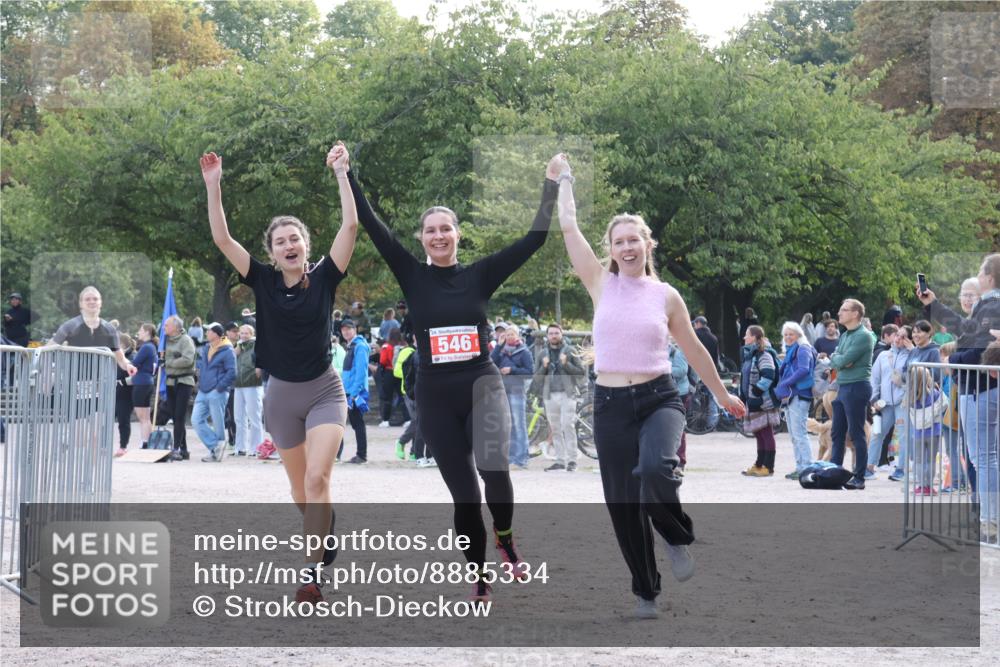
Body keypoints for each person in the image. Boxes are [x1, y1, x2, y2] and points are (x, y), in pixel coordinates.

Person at [346, 151, 561, 604]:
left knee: (494, 470)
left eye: (446, 228)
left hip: (482, 384)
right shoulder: (411, 275)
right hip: (436, 395)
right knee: (464, 496)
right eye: (431, 230)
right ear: (422, 239)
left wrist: (550, 183)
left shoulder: (480, 275)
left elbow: (534, 240)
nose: (439, 235)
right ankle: (479, 572)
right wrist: (346, 172)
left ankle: (504, 538)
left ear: (457, 235)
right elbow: (372, 225)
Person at [553, 154, 745, 619]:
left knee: (657, 469)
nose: (626, 247)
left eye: (633, 239)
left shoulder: (666, 296)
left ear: (647, 243)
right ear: (611, 248)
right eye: (618, 241)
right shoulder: (599, 282)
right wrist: (565, 179)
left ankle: (677, 536)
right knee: (623, 504)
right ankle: (646, 591)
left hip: (660, 397)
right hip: (610, 403)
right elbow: (568, 227)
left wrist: (722, 395)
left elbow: (696, 351)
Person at [200, 140, 357, 604]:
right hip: (281, 397)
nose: (289, 245)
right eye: (280, 241)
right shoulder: (262, 280)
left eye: (295, 238)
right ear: (271, 252)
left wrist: (342, 174)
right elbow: (223, 240)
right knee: (299, 490)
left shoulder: (327, 275)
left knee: (316, 479)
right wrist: (214, 187)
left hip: (325, 391)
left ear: (306, 245)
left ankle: (311, 575)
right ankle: (324, 529)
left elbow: (350, 223)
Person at [919, 258, 999, 501]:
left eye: (979, 271)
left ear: (989, 277)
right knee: (982, 457)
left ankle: (989, 518)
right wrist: (933, 305)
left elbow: (981, 349)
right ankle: (985, 514)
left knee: (984, 458)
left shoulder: (993, 305)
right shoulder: (986, 306)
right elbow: (965, 330)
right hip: (976, 387)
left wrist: (952, 360)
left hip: (980, 387)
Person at [821, 299, 876, 489]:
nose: (839, 313)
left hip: (857, 387)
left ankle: (859, 477)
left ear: (855, 314)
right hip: (842, 387)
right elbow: (839, 359)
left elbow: (843, 360)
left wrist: (839, 360)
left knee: (856, 433)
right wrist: (840, 360)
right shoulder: (844, 335)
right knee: (837, 433)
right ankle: (836, 473)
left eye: (844, 310)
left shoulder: (864, 336)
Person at [533, 323, 586, 472]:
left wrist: (566, 363)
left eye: (556, 333)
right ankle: (560, 460)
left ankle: (572, 460)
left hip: (568, 394)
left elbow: (581, 372)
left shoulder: (570, 351)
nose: (554, 336)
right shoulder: (542, 353)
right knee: (555, 428)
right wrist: (544, 367)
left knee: (567, 425)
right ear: (547, 336)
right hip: (549, 395)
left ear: (561, 334)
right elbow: (536, 378)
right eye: (551, 333)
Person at [50, 286, 137, 377]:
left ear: (100, 303)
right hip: (72, 384)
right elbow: (47, 350)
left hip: (100, 385)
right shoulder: (69, 326)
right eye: (87, 299)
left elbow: (121, 359)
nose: (92, 302)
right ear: (81, 304)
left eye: (95, 299)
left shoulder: (109, 330)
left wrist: (128, 366)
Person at [775, 322, 816, 479]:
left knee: (799, 433)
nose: (787, 337)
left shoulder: (803, 348)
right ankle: (800, 467)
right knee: (794, 435)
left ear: (799, 335)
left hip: (800, 395)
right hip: (792, 396)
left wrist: (785, 383)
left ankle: (806, 468)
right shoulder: (792, 350)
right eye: (785, 334)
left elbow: (804, 369)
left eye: (791, 334)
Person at [869, 326, 910, 480]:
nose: (898, 339)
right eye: (897, 335)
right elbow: (875, 379)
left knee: (903, 435)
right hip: (884, 404)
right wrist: (874, 399)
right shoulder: (883, 355)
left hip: (903, 403)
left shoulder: (912, 356)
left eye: (903, 336)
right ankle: (869, 467)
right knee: (877, 433)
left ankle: (901, 469)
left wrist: (913, 351)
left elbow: (918, 378)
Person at [739, 326, 781, 477]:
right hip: (752, 401)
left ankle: (768, 467)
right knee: (758, 432)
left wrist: (757, 390)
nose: (744, 338)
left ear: (755, 337)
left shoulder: (764, 354)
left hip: (763, 401)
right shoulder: (750, 354)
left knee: (765, 432)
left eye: (746, 335)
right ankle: (759, 464)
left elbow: (769, 374)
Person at [491, 327, 534, 469]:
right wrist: (498, 345)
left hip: (516, 391)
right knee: (507, 426)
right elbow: (491, 362)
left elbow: (529, 372)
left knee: (519, 426)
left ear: (517, 335)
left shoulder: (524, 351)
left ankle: (521, 459)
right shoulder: (501, 350)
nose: (509, 337)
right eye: (507, 335)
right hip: (502, 391)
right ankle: (510, 458)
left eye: (511, 334)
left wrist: (512, 370)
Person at [193, 323, 236, 462]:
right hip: (203, 390)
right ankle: (216, 446)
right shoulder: (206, 348)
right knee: (196, 420)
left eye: (208, 331)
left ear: (216, 334)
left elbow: (232, 372)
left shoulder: (228, 350)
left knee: (218, 423)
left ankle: (216, 452)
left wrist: (219, 388)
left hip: (217, 391)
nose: (206, 333)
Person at [162, 315, 197, 461]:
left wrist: (169, 362)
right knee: (175, 415)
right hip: (170, 382)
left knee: (179, 415)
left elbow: (188, 360)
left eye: (167, 325)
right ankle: (184, 449)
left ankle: (176, 448)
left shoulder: (186, 340)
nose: (164, 328)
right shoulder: (165, 341)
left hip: (184, 381)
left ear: (176, 327)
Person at [908, 367, 944, 496]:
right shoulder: (935, 392)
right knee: (931, 460)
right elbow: (944, 404)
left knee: (919, 460)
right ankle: (929, 486)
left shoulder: (911, 395)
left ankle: (921, 486)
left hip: (918, 432)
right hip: (934, 431)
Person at [339, 319, 370, 463]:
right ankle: (357, 454)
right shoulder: (352, 346)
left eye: (348, 329)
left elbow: (361, 372)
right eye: (343, 329)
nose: (346, 332)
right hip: (349, 391)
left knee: (357, 423)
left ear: (354, 329)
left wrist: (355, 393)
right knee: (353, 423)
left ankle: (362, 455)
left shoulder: (359, 346)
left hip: (355, 392)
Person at [233, 324, 264, 457]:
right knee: (239, 417)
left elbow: (262, 360)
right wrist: (238, 347)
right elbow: (233, 359)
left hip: (252, 384)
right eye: (242, 333)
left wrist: (259, 369)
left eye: (246, 333)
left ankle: (256, 447)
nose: (243, 335)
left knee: (254, 417)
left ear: (252, 334)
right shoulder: (239, 346)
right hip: (239, 384)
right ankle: (240, 447)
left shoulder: (257, 345)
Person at [128, 323, 158, 452]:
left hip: (141, 383)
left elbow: (134, 364)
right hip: (148, 382)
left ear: (147, 332)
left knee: (142, 417)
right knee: (146, 417)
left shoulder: (146, 347)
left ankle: (145, 442)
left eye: (140, 330)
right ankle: (147, 441)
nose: (139, 332)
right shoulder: (152, 347)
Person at [669, 340, 692, 474]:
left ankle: (680, 461)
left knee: (679, 427)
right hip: (666, 392)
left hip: (680, 393)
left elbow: (682, 370)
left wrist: (664, 369)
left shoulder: (677, 352)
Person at [113, 333, 136, 456]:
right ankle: (103, 444)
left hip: (126, 394)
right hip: (114, 393)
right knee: (106, 420)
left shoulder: (132, 357)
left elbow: (134, 377)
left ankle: (123, 446)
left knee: (123, 420)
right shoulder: (114, 357)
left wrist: (121, 382)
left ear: (121, 344)